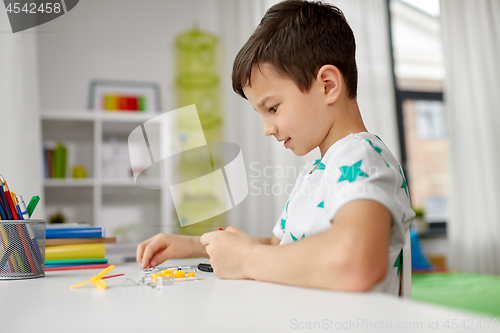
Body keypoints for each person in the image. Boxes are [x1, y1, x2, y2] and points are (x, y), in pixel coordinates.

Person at [137, 0, 414, 294]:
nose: (267, 129)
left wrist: (246, 259)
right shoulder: (316, 171)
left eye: (272, 108)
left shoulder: (360, 155)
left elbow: (357, 262)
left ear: (328, 85)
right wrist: (196, 245)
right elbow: (279, 245)